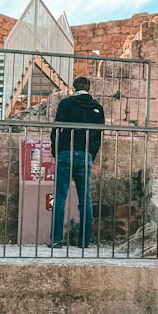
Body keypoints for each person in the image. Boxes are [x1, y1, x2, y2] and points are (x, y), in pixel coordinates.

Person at [50, 76, 104, 247]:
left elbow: (56, 130)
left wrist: (56, 152)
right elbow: (98, 136)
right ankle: (84, 241)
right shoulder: (97, 108)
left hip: (65, 152)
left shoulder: (65, 104)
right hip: (84, 154)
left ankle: (57, 239)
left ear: (73, 88)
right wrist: (90, 154)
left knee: (60, 197)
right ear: (89, 88)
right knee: (85, 199)